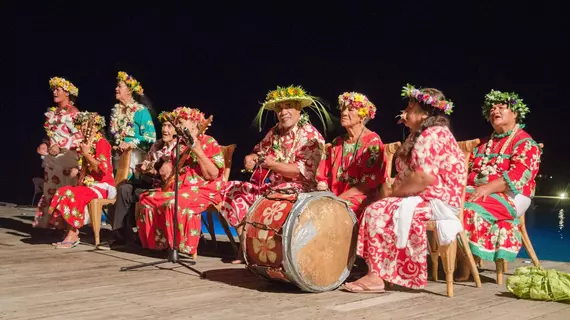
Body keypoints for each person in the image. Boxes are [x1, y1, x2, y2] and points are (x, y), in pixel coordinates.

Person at [343, 84, 465, 293]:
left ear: (425, 113)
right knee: (378, 206)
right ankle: (381, 271)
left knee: (377, 210)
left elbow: (423, 177)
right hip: (424, 198)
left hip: (438, 201)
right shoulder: (420, 135)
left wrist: (394, 193)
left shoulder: (434, 134)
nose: (405, 112)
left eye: (410, 107)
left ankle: (376, 275)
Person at [220, 85, 329, 263]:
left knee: (272, 197)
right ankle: (246, 246)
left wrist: (273, 165)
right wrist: (251, 158)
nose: (283, 112)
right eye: (279, 109)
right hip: (271, 186)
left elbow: (302, 172)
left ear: (299, 109)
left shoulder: (310, 135)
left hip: (300, 189)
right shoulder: (275, 131)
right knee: (232, 190)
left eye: (288, 107)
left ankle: (271, 252)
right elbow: (258, 151)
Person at [457, 90, 542, 280]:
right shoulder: (484, 144)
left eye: (501, 108)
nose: (495, 111)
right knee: (446, 203)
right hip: (478, 191)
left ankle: (465, 265)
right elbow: (469, 171)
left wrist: (487, 188)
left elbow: (518, 176)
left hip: (514, 195)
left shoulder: (525, 142)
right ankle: (450, 259)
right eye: (492, 108)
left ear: (515, 113)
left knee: (468, 208)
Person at [137, 107, 225, 255]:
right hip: (178, 188)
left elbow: (212, 174)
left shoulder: (208, 142)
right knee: (146, 198)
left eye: (181, 122)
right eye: (177, 123)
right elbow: (168, 172)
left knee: (174, 202)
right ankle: (160, 244)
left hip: (203, 189)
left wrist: (197, 150)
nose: (178, 126)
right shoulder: (179, 145)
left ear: (194, 124)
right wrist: (163, 168)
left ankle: (182, 247)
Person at [97, 112, 178, 250]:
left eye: (169, 126)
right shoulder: (157, 145)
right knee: (124, 189)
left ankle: (143, 237)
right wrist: (144, 168)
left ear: (177, 129)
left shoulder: (179, 147)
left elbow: (174, 172)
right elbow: (148, 162)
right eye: (164, 125)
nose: (165, 129)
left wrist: (155, 172)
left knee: (139, 193)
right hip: (151, 181)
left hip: (167, 186)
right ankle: (120, 236)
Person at [41, 112, 115, 248]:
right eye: (81, 125)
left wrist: (86, 153)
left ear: (96, 127)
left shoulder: (102, 143)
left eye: (87, 125)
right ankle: (68, 231)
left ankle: (72, 234)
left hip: (101, 186)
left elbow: (101, 170)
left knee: (72, 194)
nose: (83, 128)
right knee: (63, 190)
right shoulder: (84, 144)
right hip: (87, 185)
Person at [316, 92, 387, 218]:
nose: (343, 113)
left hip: (360, 197)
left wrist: (339, 199)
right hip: (334, 196)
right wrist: (323, 188)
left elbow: (368, 185)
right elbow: (323, 173)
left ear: (362, 116)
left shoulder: (372, 142)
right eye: (343, 109)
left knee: (335, 211)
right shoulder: (337, 142)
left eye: (350, 109)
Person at [33, 77, 83, 229]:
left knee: (64, 191)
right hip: (53, 160)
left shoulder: (73, 112)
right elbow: (52, 136)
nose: (54, 92)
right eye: (53, 89)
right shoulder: (53, 113)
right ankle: (53, 224)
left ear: (67, 93)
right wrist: (46, 144)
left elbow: (79, 137)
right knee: (50, 190)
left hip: (67, 158)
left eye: (58, 89)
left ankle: (68, 227)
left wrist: (60, 147)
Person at [110, 71, 157, 177]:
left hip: (134, 160)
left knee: (125, 188)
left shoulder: (140, 110)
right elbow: (115, 136)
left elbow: (151, 137)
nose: (116, 89)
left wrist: (130, 142)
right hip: (118, 159)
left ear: (129, 91)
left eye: (119, 86)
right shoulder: (116, 111)